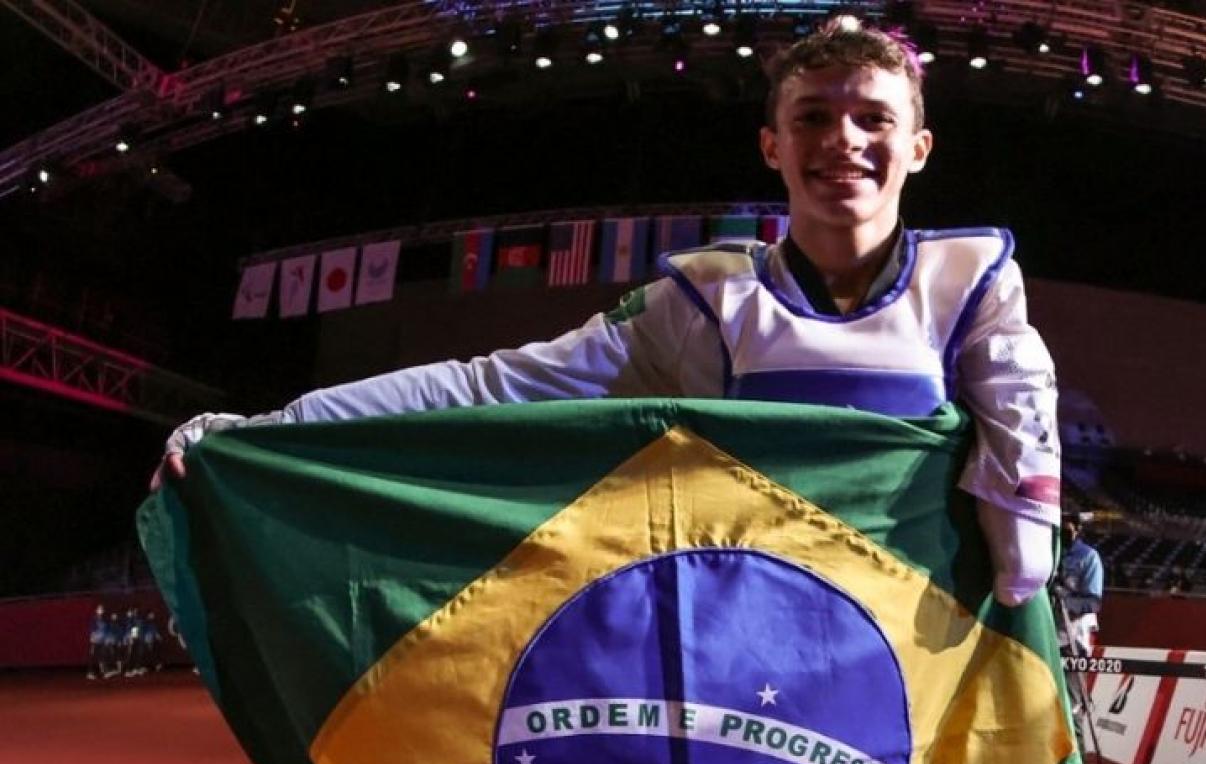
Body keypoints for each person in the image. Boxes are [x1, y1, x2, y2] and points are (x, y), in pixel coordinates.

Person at [152, 20, 1061, 608]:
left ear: (920, 146)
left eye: (872, 118)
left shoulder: (973, 283)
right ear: (771, 144)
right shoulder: (704, 302)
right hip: (744, 658)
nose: (843, 142)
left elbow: (1023, 482)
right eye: (814, 118)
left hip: (914, 661)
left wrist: (1027, 553)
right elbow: (489, 387)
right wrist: (274, 430)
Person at [1056, 512, 1103, 654]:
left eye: (1066, 530)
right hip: (1047, 632)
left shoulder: (1089, 556)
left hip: (1074, 636)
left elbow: (1093, 602)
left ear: (1077, 529)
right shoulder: (1049, 552)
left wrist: (1064, 603)